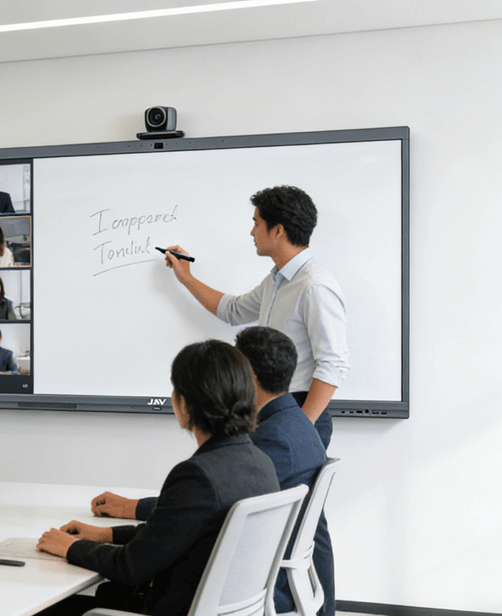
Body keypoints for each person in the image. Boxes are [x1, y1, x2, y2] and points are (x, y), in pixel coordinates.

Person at [88, 327, 334, 616]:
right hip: (271, 581)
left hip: (264, 586)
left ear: (247, 377)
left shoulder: (272, 439)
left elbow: (212, 499)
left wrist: (130, 508)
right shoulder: (295, 421)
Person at [35, 340, 279, 616]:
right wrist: (105, 534)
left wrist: (72, 547)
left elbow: (132, 566)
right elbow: (170, 533)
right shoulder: (261, 464)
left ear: (183, 404)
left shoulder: (198, 475)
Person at [162, 185, 347, 449]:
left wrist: (301, 426)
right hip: (273, 413)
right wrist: (187, 278)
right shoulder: (276, 282)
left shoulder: (314, 286)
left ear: (278, 230)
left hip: (300, 411)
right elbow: (232, 310)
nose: (252, 232)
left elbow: (333, 364)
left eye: (256, 223)